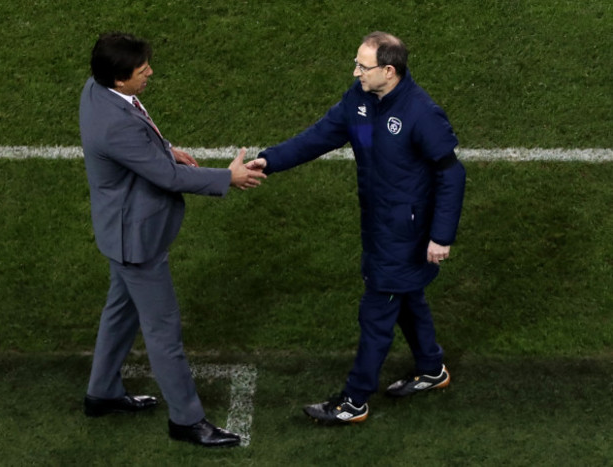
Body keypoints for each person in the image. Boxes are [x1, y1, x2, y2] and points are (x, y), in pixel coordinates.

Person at [247, 31, 465, 424]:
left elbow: (451, 173)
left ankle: (354, 401)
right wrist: (270, 160)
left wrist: (441, 236)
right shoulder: (361, 100)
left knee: (376, 312)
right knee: (408, 298)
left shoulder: (421, 112)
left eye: (362, 67)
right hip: (378, 221)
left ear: (389, 70)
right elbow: (322, 135)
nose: (355, 72)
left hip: (404, 232)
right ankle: (432, 369)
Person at [79, 32, 265, 447]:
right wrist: (227, 178)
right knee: (164, 333)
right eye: (141, 70)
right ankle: (186, 419)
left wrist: (165, 147)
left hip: (119, 232)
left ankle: (102, 392)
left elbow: (145, 148)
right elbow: (167, 177)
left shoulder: (96, 90)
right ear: (119, 78)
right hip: (136, 243)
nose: (149, 72)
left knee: (120, 312)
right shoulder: (116, 125)